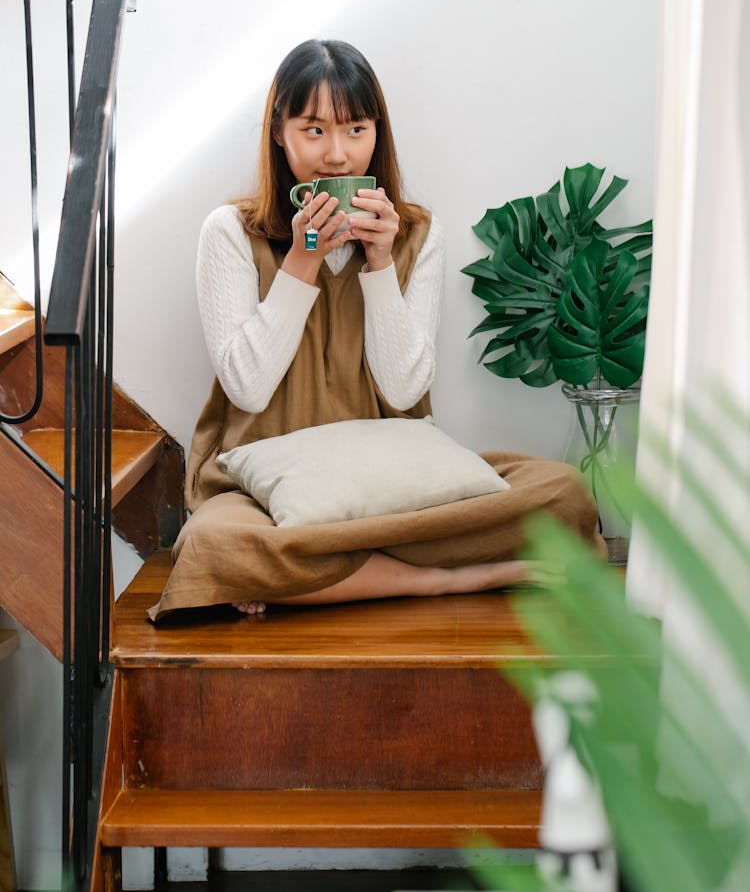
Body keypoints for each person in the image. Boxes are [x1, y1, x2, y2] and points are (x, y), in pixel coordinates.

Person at [160, 39, 603, 621]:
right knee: (215, 545)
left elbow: (402, 390)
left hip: (389, 486)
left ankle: (322, 573)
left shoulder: (417, 235)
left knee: (565, 494)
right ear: (279, 132)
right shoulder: (231, 232)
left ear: (377, 133)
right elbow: (247, 388)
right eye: (313, 130)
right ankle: (451, 579)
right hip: (261, 490)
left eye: (355, 129)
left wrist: (379, 264)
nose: (338, 156)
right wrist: (301, 260)